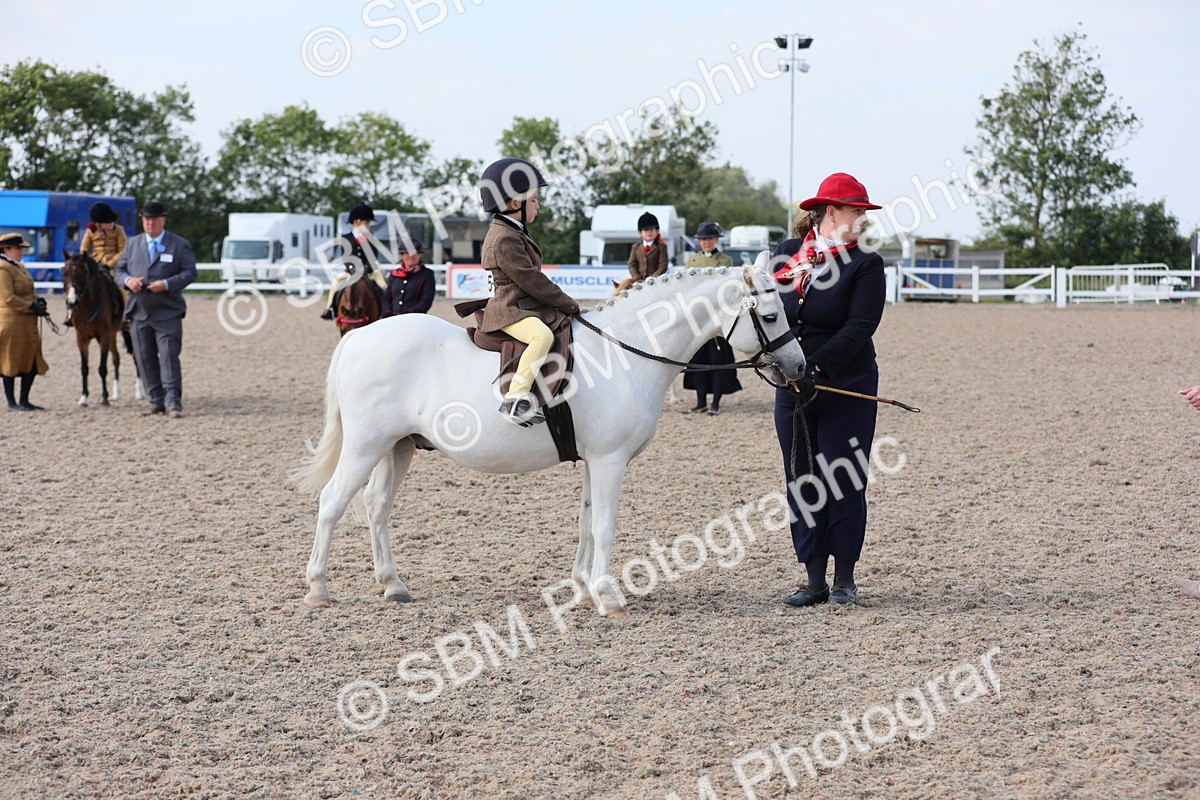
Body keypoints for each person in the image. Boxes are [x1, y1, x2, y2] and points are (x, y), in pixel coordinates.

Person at [772, 173, 886, 608]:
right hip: (791, 387)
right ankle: (814, 578)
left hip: (845, 384)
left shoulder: (866, 264)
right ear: (832, 213)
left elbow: (861, 325)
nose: (864, 219)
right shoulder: (787, 254)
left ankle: (844, 579)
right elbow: (770, 311)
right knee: (801, 479)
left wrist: (816, 364)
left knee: (842, 478)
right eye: (858, 212)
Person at [478, 157, 580, 426]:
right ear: (516, 204)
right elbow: (532, 281)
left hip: (522, 304)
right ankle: (515, 398)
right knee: (541, 336)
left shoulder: (513, 230)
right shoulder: (504, 238)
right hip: (509, 308)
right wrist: (568, 303)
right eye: (534, 200)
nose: (538, 205)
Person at [114, 201, 197, 419]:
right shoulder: (132, 244)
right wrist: (128, 280)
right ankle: (156, 402)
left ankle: (173, 403)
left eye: (154, 219)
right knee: (145, 359)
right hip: (139, 311)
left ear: (163, 220)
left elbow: (189, 273)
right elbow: (119, 271)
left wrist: (167, 284)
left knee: (169, 357)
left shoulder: (179, 245)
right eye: (147, 219)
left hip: (167, 312)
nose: (150, 223)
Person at [683, 222, 741, 415]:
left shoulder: (725, 261)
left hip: (717, 319)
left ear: (716, 239)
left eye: (709, 238)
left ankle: (715, 403)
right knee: (697, 361)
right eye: (702, 239)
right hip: (697, 319)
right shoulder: (692, 261)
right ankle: (700, 402)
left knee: (719, 362)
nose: (706, 242)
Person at [0, 232, 50, 411]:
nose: (21, 252)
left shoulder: (19, 267)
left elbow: (29, 291)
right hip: (12, 322)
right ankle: (11, 402)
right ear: (6, 250)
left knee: (31, 360)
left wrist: (39, 300)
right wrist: (31, 307)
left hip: (27, 323)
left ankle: (24, 400)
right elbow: (9, 298)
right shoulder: (3, 269)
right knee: (10, 360)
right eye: (18, 248)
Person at [319, 203, 387, 320]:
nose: (369, 225)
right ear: (357, 222)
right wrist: (353, 270)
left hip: (370, 272)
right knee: (335, 284)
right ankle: (329, 309)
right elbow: (346, 257)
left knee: (384, 286)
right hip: (350, 272)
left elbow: (373, 256)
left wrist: (365, 269)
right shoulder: (346, 238)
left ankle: (385, 311)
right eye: (367, 222)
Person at [69, 201, 127, 327]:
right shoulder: (90, 231)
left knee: (123, 288)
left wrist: (109, 264)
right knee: (77, 285)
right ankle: (71, 314)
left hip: (114, 264)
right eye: (106, 222)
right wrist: (89, 262)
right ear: (98, 223)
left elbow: (123, 251)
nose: (110, 224)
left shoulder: (119, 230)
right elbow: (84, 249)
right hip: (95, 264)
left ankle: (126, 317)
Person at [380, 238, 435, 317]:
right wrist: (388, 313)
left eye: (414, 253)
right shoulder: (394, 274)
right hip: (393, 318)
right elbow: (386, 298)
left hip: (415, 318)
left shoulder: (427, 274)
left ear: (418, 255)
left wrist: (408, 314)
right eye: (407, 253)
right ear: (402, 255)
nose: (411, 256)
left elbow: (426, 300)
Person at [628, 211, 671, 280]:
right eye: (646, 230)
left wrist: (653, 278)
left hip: (656, 281)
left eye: (651, 229)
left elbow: (663, 266)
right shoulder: (635, 247)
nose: (649, 232)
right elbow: (632, 265)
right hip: (638, 281)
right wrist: (637, 278)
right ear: (640, 232)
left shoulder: (661, 246)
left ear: (657, 231)